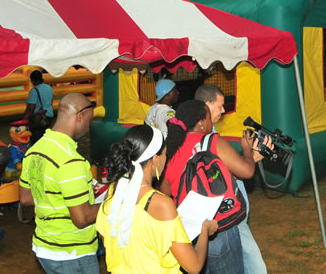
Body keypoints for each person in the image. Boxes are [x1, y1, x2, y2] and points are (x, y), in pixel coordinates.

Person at [96, 125, 217, 274]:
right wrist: (205, 230)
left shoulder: (114, 193)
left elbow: (110, 241)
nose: (166, 159)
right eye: (165, 154)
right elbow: (194, 266)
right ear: (154, 159)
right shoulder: (161, 204)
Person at [164, 99, 266, 274]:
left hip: (186, 231)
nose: (212, 123)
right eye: (208, 118)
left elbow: (165, 192)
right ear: (201, 124)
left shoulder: (170, 149)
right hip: (219, 229)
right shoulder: (212, 141)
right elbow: (247, 171)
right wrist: (247, 149)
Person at [19, 94, 100, 274]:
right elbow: (81, 218)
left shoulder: (35, 150)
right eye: (89, 120)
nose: (88, 127)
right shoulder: (70, 160)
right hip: (73, 252)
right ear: (79, 116)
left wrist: (73, 195)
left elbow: (26, 198)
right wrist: (112, 200)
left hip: (46, 247)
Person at [194, 84, 269, 274]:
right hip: (225, 219)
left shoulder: (210, 134)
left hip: (232, 215)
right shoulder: (206, 138)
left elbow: (224, 172)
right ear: (206, 105)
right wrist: (247, 151)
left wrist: (251, 157)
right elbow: (240, 172)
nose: (223, 110)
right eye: (219, 106)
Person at [24, 70, 55, 146]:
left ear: (32, 80)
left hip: (38, 119)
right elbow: (51, 102)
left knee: (36, 140)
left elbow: (31, 108)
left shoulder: (34, 91)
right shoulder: (49, 88)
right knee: (46, 137)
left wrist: (24, 120)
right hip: (49, 116)